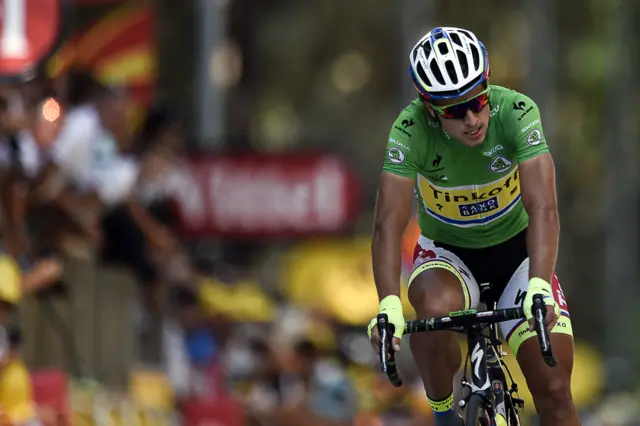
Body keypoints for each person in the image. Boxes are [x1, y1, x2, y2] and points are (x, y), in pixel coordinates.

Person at [367, 27, 580, 426]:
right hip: (449, 256)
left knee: (553, 390)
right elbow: (388, 224)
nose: (470, 119)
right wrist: (388, 304)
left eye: (477, 102)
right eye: (453, 110)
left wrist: (538, 283)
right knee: (430, 313)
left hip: (519, 257)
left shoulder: (516, 111)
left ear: (488, 86)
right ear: (429, 108)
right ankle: (445, 415)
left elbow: (543, 207)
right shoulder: (409, 130)